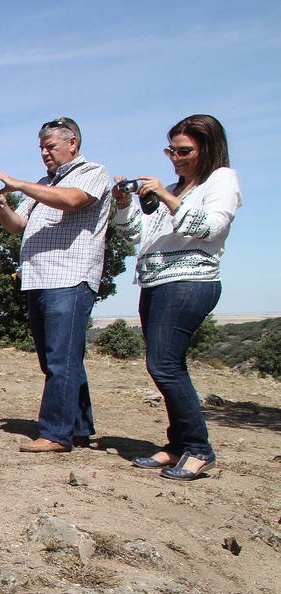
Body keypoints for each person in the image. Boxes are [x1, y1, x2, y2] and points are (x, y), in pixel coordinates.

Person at [115, 115, 240, 481]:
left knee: (164, 365)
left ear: (207, 147)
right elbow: (134, 235)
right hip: (155, 285)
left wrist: (166, 197)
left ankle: (199, 449)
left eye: (184, 151)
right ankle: (179, 445)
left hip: (188, 283)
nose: (176, 158)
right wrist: (124, 204)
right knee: (169, 366)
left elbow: (208, 227)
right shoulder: (174, 189)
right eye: (171, 150)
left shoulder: (221, 180)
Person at [0, 117, 111, 453]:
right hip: (38, 279)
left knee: (61, 360)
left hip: (70, 278)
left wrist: (19, 184)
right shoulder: (45, 183)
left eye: (50, 146)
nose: (44, 153)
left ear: (73, 143)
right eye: (41, 147)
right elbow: (17, 226)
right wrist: (0, 206)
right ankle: (79, 429)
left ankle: (56, 434)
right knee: (57, 359)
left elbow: (71, 201)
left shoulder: (92, 172)